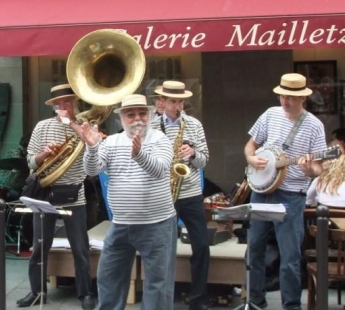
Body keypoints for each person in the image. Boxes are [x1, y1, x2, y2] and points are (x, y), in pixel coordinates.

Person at [80, 94, 177, 310]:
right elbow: (92, 170)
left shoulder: (160, 139)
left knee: (158, 286)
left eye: (142, 113)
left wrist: (139, 153)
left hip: (157, 224)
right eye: (130, 114)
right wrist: (92, 147)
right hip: (121, 224)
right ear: (121, 118)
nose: (137, 119)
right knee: (109, 278)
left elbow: (160, 170)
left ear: (150, 115)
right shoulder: (112, 141)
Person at [244, 73, 326, 309]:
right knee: (255, 248)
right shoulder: (269, 115)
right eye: (282, 95)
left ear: (302, 98)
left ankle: (291, 305)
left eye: (290, 97)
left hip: (291, 194)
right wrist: (251, 158)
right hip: (261, 189)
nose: (285, 100)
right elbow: (251, 144)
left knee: (289, 256)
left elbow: (317, 169)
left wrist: (309, 166)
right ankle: (256, 301)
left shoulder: (314, 125)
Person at [17, 84, 95, 310]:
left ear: (75, 104)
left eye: (68, 103)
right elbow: (30, 162)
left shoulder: (83, 127)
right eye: (59, 104)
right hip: (46, 194)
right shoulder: (42, 127)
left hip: (75, 194)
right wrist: (45, 154)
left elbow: (92, 151)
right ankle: (36, 291)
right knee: (40, 246)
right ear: (53, 107)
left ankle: (85, 293)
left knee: (80, 248)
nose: (63, 107)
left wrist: (71, 123)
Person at [150, 80, 211, 310]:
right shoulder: (152, 126)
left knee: (202, 246)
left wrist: (193, 153)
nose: (178, 106)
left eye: (180, 101)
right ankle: (164, 297)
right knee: (162, 247)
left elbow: (205, 159)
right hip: (163, 194)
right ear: (162, 102)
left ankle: (198, 298)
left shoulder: (193, 124)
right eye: (173, 101)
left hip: (191, 192)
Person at [0, 133, 31, 201]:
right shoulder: (14, 154)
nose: (26, 151)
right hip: (10, 188)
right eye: (24, 148)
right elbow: (11, 181)